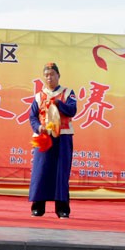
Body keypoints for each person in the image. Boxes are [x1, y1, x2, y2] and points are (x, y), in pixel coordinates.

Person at [28, 62, 77, 218]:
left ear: (58, 76)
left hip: (63, 137)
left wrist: (58, 103)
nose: (49, 78)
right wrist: (38, 128)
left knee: (61, 172)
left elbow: (72, 110)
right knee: (40, 171)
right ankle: (38, 207)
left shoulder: (67, 93)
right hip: (44, 137)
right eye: (47, 75)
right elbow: (32, 117)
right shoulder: (39, 96)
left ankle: (62, 208)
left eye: (52, 74)